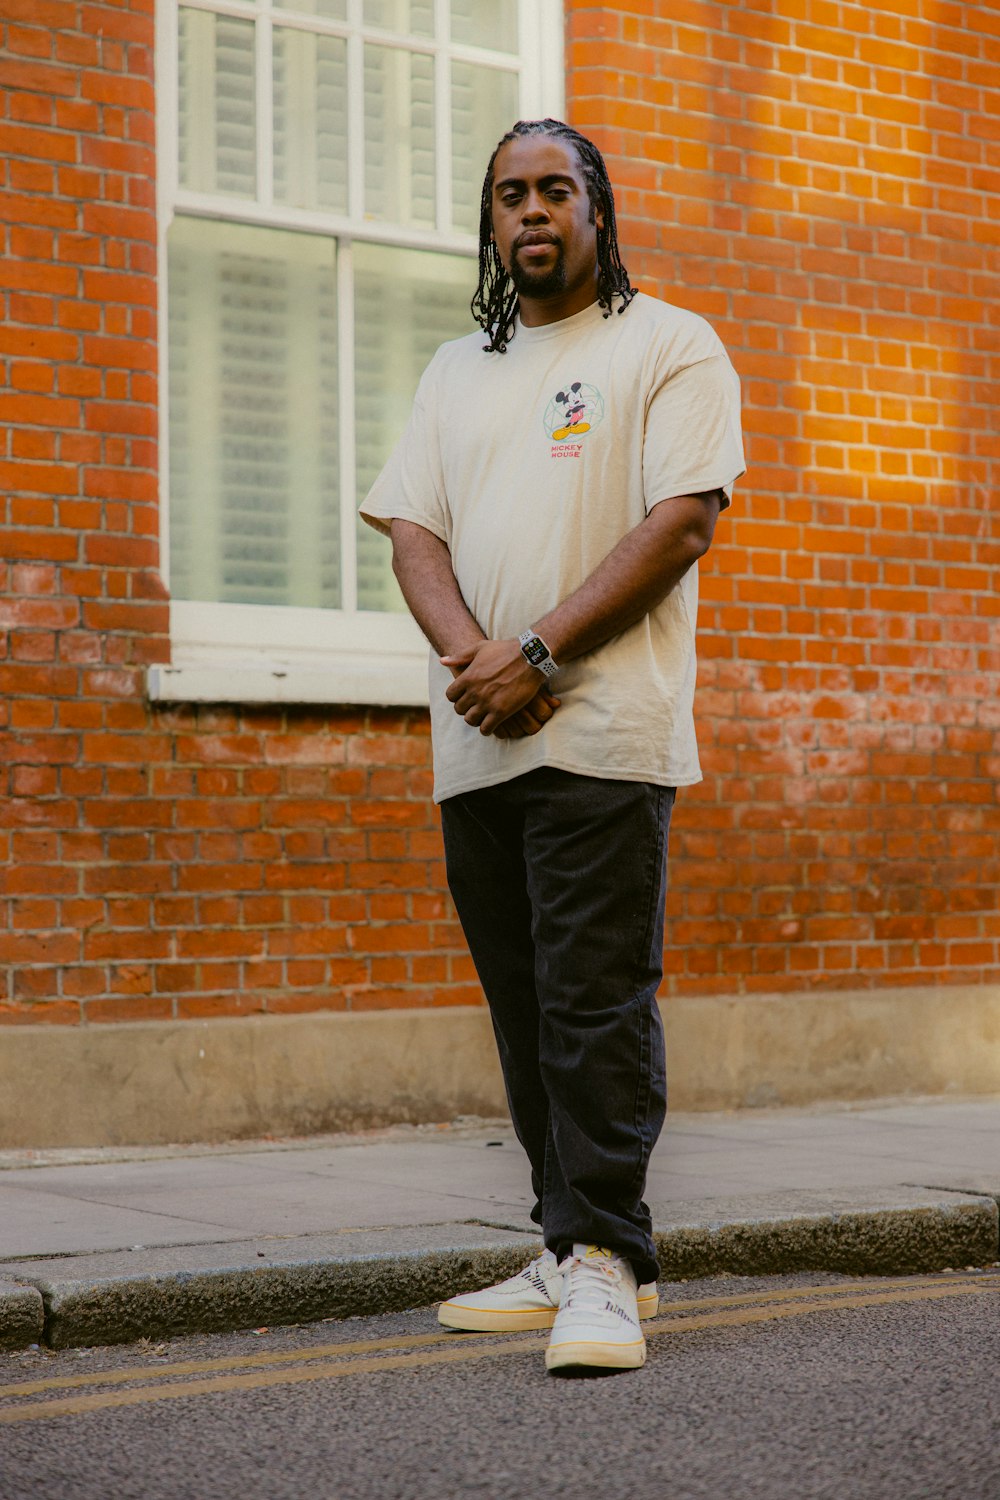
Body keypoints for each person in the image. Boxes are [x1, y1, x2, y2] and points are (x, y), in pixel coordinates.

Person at [360, 118, 744, 1374]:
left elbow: (679, 523)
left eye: (554, 190)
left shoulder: (668, 344)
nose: (531, 211)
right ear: (490, 223)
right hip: (478, 743)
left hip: (602, 736)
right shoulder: (453, 368)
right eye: (509, 195)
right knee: (524, 1010)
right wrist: (481, 661)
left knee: (592, 1005)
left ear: (597, 210)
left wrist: (534, 658)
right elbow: (413, 530)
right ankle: (561, 1236)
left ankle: (610, 1265)